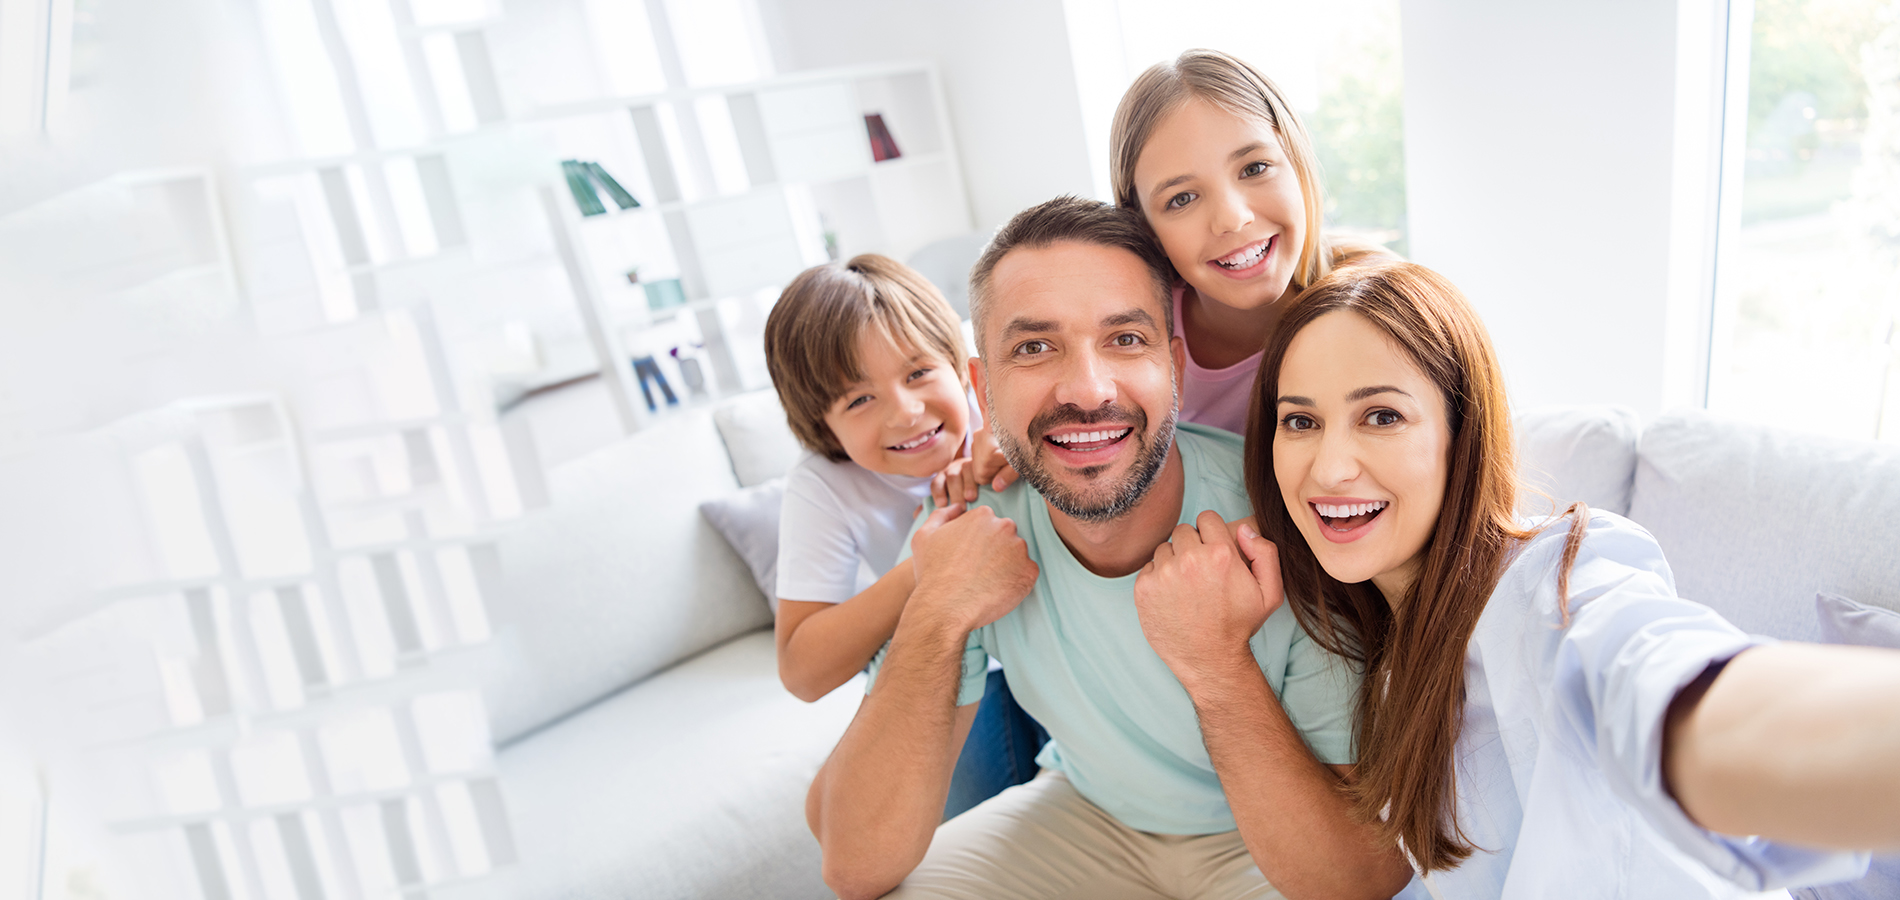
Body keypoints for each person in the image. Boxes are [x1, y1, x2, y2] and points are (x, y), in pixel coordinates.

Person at [1137, 259, 1900, 897]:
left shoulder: (1555, 577)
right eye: (1300, 421)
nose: (1329, 468)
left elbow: (1645, 667)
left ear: (1459, 434)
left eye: (1382, 417)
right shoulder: (1388, 642)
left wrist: (1773, 733)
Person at [806, 197, 1399, 900]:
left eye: (1124, 340)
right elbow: (854, 864)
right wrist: (936, 610)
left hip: (1265, 836)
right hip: (1087, 813)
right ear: (982, 388)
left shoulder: (1289, 519)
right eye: (1034, 347)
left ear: (1173, 366)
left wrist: (1217, 664)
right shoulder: (968, 525)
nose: (1087, 390)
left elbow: (1358, 880)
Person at [762, 254, 1044, 819]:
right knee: (947, 820)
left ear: (964, 369)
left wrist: (1017, 451)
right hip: (959, 670)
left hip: (1058, 639)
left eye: (918, 373)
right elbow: (803, 671)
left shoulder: (1003, 406)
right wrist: (927, 569)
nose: (908, 412)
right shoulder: (824, 484)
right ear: (823, 426)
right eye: (860, 399)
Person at [1110, 48, 1389, 434]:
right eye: (1182, 199)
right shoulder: (1131, 332)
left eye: (1254, 168)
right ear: (1147, 230)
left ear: (1298, 161)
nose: (1232, 218)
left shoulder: (1379, 305)